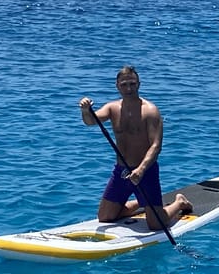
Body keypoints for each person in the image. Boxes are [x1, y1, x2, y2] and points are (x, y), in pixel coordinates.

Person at [78, 65, 192, 228]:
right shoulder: (112, 108)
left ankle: (179, 202)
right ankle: (142, 203)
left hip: (145, 172)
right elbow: (91, 121)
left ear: (139, 84)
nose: (128, 88)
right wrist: (85, 110)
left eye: (132, 83)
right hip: (122, 171)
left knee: (156, 224)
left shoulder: (150, 111)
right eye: (124, 84)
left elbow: (156, 146)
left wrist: (141, 170)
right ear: (117, 86)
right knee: (105, 217)